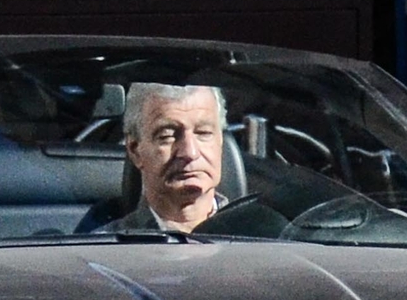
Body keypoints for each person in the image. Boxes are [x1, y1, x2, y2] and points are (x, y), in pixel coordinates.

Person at [102, 82, 285, 237]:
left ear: (220, 142)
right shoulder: (104, 250)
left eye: (203, 133)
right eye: (167, 136)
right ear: (135, 151)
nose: (190, 152)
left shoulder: (271, 241)